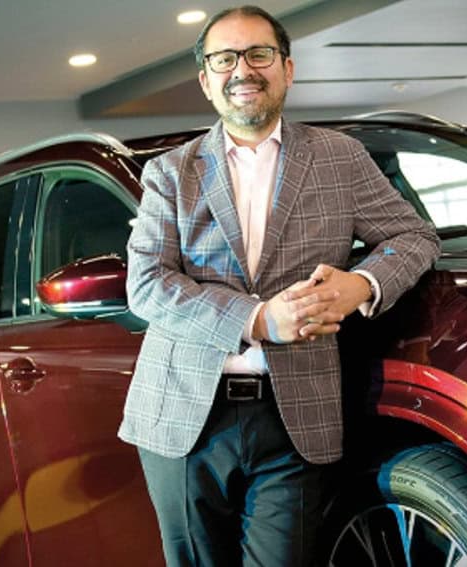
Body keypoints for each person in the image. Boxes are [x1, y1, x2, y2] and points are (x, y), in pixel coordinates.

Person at [118, 5, 440, 566]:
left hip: (296, 415)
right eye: (224, 58)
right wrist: (259, 320)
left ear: (287, 69)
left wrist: (362, 284)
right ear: (206, 81)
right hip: (185, 415)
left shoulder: (340, 158)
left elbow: (413, 236)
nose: (243, 69)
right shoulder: (170, 173)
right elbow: (146, 284)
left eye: (259, 54)